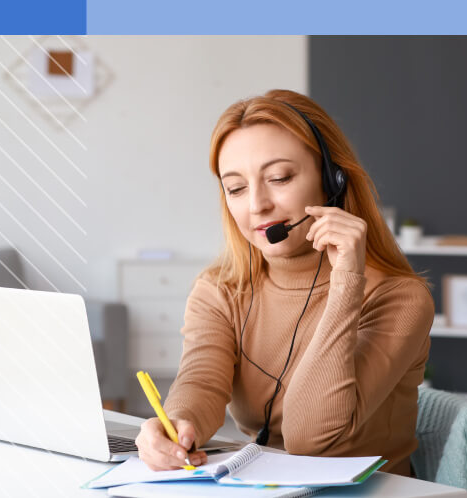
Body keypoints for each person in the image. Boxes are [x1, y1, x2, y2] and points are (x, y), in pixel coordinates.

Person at [134, 89, 435, 477]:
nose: (257, 205)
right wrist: (176, 424)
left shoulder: (399, 298)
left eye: (279, 178)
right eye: (236, 188)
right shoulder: (221, 289)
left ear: (333, 180)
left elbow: (311, 439)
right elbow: (202, 382)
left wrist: (346, 282)